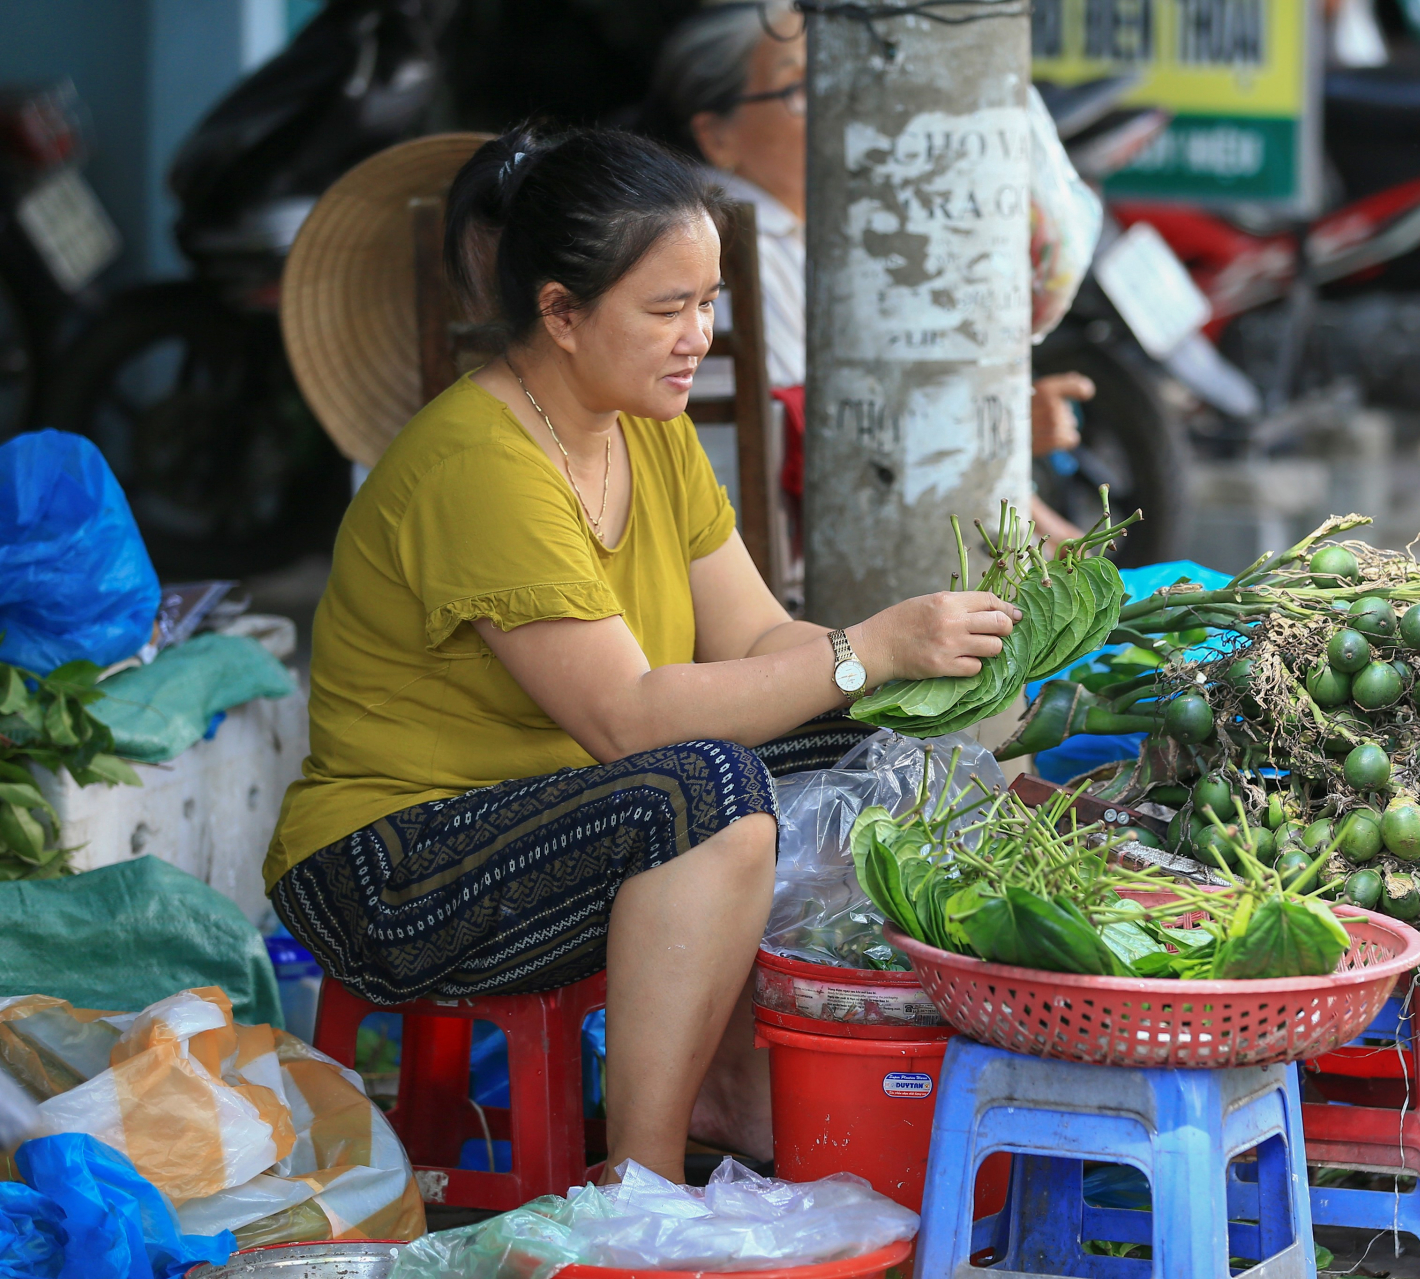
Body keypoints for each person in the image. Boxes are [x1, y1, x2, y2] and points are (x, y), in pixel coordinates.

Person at [264, 124, 1021, 1183]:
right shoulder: (480, 464)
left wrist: (912, 682)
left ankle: (738, 1094)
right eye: (667, 309)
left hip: (560, 811)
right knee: (703, 785)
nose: (697, 336)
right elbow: (626, 719)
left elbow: (759, 638)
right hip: (390, 868)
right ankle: (647, 1183)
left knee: (854, 734)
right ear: (561, 314)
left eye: (707, 303)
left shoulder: (644, 427)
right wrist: (867, 646)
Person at [649, 0, 1095, 542]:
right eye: (800, 89)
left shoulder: (816, 234)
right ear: (718, 137)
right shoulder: (730, 244)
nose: (841, 107)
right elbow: (815, 431)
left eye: (843, 81)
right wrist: (991, 428)